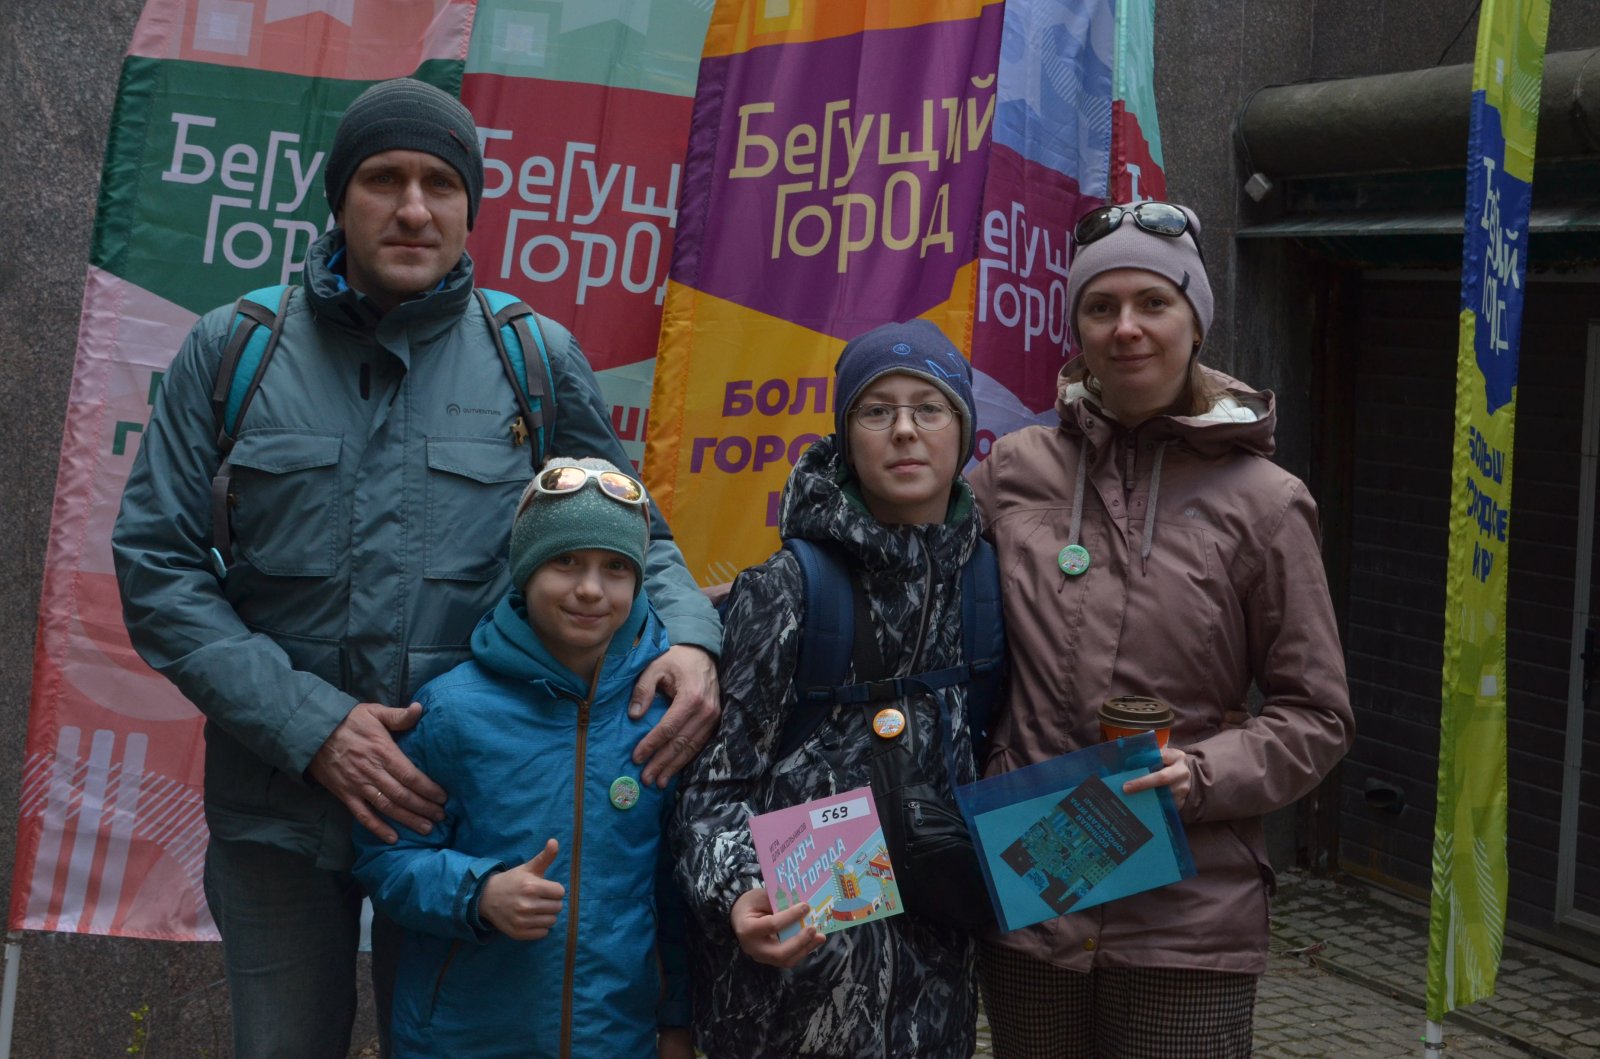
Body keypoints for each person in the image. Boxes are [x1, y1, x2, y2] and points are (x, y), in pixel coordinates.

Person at [111, 78, 720, 1059]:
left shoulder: (531, 357)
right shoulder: (235, 351)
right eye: (382, 179)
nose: (411, 207)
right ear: (338, 198)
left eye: (440, 184)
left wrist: (689, 637)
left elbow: (631, 533)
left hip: (475, 814)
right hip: (279, 810)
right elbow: (157, 566)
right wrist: (313, 727)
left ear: (469, 208)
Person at [966, 200, 1355, 1058]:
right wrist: (699, 628)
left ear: (1196, 322)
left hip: (1188, 916)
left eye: (1154, 302)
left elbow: (1317, 714)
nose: (1126, 328)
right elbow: (894, 571)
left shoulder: (1267, 503)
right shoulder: (1013, 473)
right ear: (1076, 328)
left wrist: (1202, 773)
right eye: (1101, 307)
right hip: (1032, 893)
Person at [672, 320, 983, 1058]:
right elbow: (710, 789)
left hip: (936, 1011)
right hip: (788, 1002)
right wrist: (740, 892)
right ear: (845, 436)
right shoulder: (788, 589)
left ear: (964, 432)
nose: (904, 429)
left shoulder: (988, 584)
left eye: (930, 408)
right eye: (876, 410)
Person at [352, 457, 693, 1059]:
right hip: (461, 1040)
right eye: (567, 561)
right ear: (526, 570)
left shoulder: (664, 719)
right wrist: (477, 894)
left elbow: (676, 891)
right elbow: (387, 858)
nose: (591, 589)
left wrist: (677, 1021)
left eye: (616, 567)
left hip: (615, 1038)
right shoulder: (453, 710)